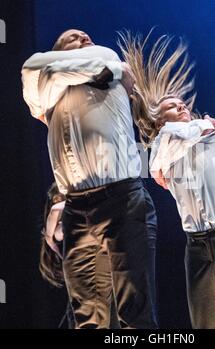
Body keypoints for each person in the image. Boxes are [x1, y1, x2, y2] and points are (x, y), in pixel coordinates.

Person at [118, 31, 215, 329]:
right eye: (174, 106)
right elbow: (153, 165)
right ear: (160, 120)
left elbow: (177, 144)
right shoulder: (165, 144)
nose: (183, 106)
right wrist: (163, 153)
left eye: (183, 103)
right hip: (196, 246)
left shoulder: (205, 130)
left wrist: (183, 138)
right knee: (203, 324)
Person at [22, 29, 157, 329]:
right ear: (54, 48)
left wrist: (54, 78)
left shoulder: (106, 56)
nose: (85, 38)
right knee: (87, 320)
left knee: (134, 315)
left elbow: (99, 65)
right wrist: (94, 73)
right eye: (74, 37)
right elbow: (33, 71)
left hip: (121, 200)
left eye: (87, 38)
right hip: (76, 210)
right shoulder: (37, 67)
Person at [40, 182, 120, 329]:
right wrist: (50, 238)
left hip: (99, 277)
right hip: (88, 281)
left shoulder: (75, 216)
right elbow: (54, 213)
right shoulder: (63, 224)